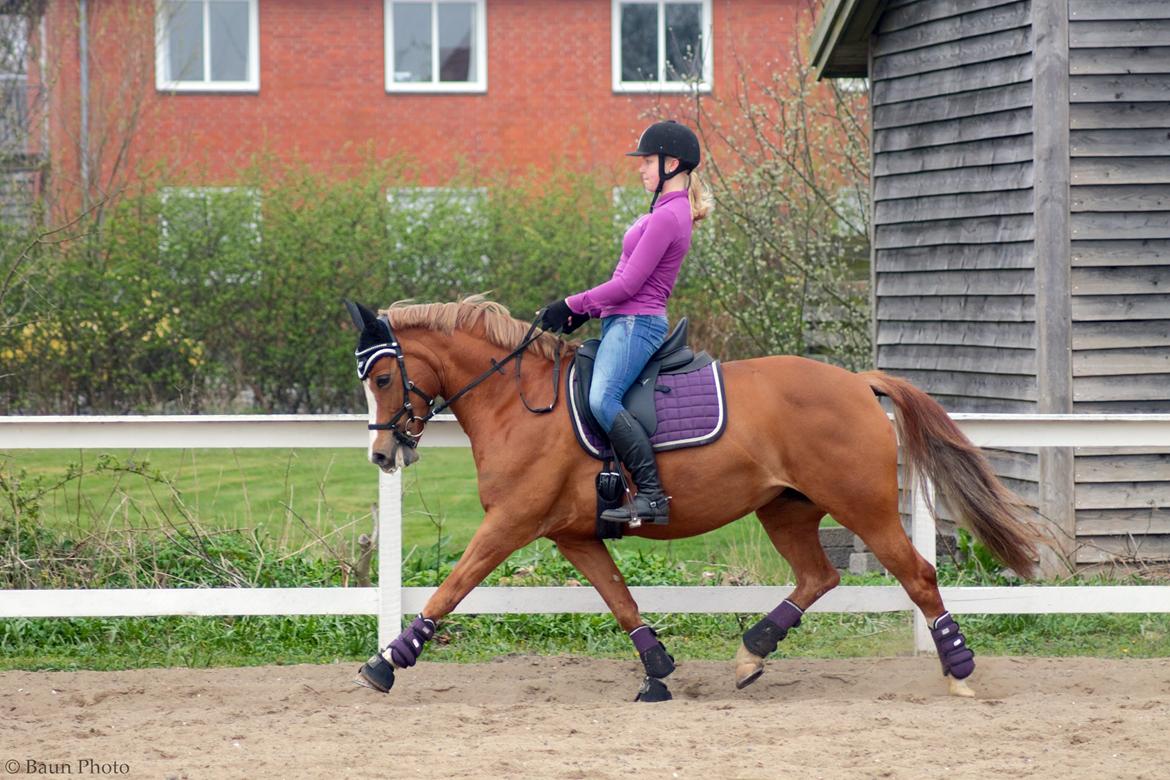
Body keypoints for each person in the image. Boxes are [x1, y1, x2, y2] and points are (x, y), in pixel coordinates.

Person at [539, 120, 712, 525]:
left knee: (603, 399)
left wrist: (570, 302)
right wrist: (583, 311)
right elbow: (625, 282)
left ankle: (652, 494)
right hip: (622, 319)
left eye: (648, 161)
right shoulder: (661, 212)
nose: (641, 168)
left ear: (672, 163)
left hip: (638, 323)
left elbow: (629, 284)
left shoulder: (668, 217)